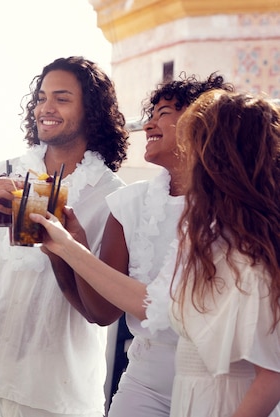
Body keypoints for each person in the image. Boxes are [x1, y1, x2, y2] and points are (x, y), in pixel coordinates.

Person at [31, 90, 280, 417]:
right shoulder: (203, 233)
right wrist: (65, 247)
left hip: (226, 399)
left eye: (197, 139)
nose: (189, 152)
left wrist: (68, 248)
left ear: (224, 156)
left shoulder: (252, 244)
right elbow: (157, 303)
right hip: (179, 394)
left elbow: (272, 371)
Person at [0, 56, 129, 417]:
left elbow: (103, 307)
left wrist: (64, 247)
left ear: (92, 112)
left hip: (59, 396)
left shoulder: (113, 196)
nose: (45, 108)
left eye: (62, 98)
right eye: (40, 98)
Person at [55, 73, 232, 417]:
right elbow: (103, 312)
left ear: (201, 120)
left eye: (163, 113)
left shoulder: (237, 209)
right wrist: (68, 247)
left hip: (222, 382)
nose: (149, 124)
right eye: (151, 114)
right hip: (145, 381)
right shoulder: (127, 205)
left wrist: (69, 248)